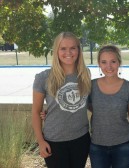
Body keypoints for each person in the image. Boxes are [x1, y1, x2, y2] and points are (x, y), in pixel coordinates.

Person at [32, 32, 91, 168]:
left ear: (78, 50)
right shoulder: (43, 78)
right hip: (54, 141)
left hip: (81, 138)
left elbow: (87, 103)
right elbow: (35, 112)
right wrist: (40, 141)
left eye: (73, 48)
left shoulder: (85, 74)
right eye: (63, 48)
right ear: (56, 51)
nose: (68, 52)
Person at [88, 45, 129, 168]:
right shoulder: (91, 86)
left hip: (123, 145)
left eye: (113, 62)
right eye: (104, 62)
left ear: (119, 63)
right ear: (99, 64)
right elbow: (87, 106)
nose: (109, 66)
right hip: (97, 145)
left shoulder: (128, 88)